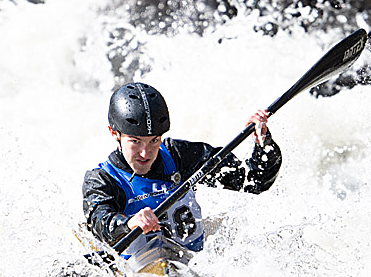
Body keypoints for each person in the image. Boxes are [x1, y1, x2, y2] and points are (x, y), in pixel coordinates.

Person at [83, 82, 282, 258]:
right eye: (135, 141)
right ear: (114, 133)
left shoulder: (178, 156)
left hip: (192, 267)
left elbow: (255, 181)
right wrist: (129, 223)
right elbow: (101, 222)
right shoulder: (102, 180)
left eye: (154, 140)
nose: (145, 153)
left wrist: (262, 142)